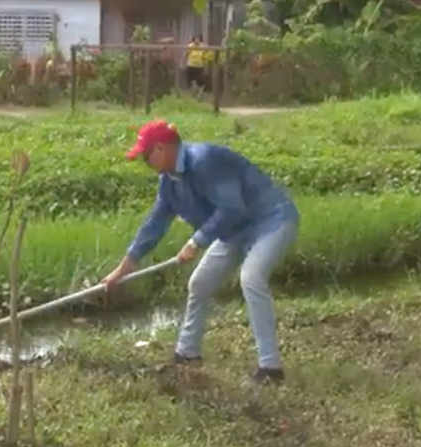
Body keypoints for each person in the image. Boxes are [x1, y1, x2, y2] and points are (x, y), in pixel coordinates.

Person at [101, 120, 300, 385]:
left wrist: (196, 241)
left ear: (161, 148)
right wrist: (122, 269)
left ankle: (271, 369)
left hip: (271, 220)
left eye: (146, 155)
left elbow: (232, 208)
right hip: (234, 231)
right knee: (199, 283)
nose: (145, 161)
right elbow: (154, 225)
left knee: (251, 278)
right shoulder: (169, 182)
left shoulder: (204, 161)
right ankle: (187, 353)